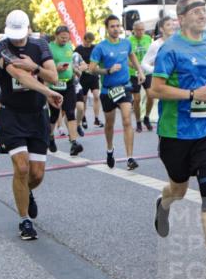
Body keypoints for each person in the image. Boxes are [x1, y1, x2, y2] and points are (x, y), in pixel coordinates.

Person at [150, 0, 206, 277]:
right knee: (178, 189)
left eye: (205, 11)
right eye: (197, 11)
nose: (203, 15)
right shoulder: (169, 49)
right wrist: (190, 94)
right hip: (175, 133)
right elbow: (156, 89)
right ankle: (163, 204)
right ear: (183, 17)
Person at [0, 9, 63, 241]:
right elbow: (19, 76)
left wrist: (35, 66)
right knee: (21, 168)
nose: (16, 39)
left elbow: (53, 76)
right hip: (11, 115)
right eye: (12, 34)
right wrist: (48, 92)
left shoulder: (40, 45)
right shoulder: (0, 48)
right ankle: (25, 221)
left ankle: (27, 192)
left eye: (19, 34)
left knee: (36, 174)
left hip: (36, 116)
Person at [89, 15, 144, 170]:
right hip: (108, 91)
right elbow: (92, 69)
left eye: (118, 26)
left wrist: (140, 71)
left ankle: (130, 158)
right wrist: (107, 70)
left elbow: (132, 56)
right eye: (112, 26)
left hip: (124, 87)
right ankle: (109, 149)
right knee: (109, 124)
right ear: (107, 29)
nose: (116, 29)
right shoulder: (100, 47)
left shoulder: (126, 43)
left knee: (127, 120)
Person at [48, 26, 84, 156]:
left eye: (67, 37)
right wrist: (56, 68)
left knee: (70, 112)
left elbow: (69, 62)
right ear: (56, 35)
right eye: (62, 37)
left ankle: (74, 143)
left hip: (68, 83)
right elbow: (44, 68)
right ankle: (50, 137)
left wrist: (75, 70)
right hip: (54, 85)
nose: (65, 40)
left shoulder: (69, 46)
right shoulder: (49, 48)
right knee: (54, 114)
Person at [142, 15, 178, 132]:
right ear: (161, 29)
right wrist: (157, 71)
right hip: (162, 82)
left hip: (177, 83)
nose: (172, 26)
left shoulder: (179, 42)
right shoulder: (156, 45)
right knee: (165, 110)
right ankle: (163, 138)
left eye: (173, 24)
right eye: (168, 25)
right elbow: (144, 63)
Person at [128, 20, 153, 132]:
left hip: (147, 72)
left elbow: (152, 54)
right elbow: (126, 58)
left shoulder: (148, 38)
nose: (140, 32)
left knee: (151, 95)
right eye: (138, 30)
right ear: (133, 30)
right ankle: (138, 121)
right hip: (134, 74)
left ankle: (146, 117)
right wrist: (135, 67)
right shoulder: (129, 41)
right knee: (137, 99)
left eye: (142, 29)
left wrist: (150, 64)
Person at [75, 32, 102, 130]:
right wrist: (82, 67)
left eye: (91, 42)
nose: (89, 44)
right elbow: (74, 62)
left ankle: (96, 118)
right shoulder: (78, 49)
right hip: (83, 78)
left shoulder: (95, 47)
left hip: (93, 75)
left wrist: (97, 65)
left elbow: (99, 58)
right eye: (87, 42)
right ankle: (83, 118)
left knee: (96, 96)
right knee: (84, 99)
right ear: (84, 39)